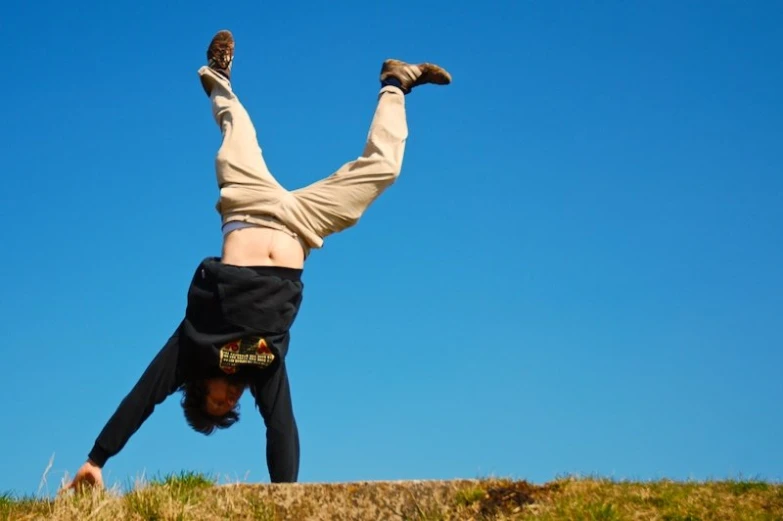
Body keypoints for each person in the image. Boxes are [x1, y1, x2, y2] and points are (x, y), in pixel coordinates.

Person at [64, 29, 451, 491]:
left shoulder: (188, 352)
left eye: (216, 401)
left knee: (237, 130)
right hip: (303, 225)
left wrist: (97, 458)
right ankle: (396, 83)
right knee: (383, 170)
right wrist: (283, 500)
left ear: (198, 390)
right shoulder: (261, 363)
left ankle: (217, 78)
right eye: (229, 406)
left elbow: (142, 397)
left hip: (247, 205)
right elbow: (281, 427)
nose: (228, 397)